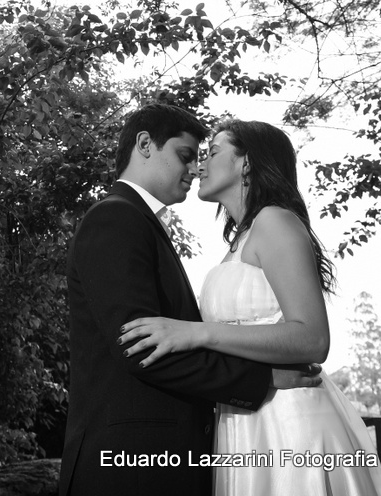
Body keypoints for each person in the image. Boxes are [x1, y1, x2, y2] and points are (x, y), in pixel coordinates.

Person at [118, 118, 381, 495]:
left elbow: (312, 338)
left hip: (290, 422)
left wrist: (198, 333)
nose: (199, 166)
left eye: (212, 152)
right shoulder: (239, 240)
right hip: (243, 418)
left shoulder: (275, 222)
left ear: (247, 162)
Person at [60, 104, 322, 496]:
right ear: (145, 145)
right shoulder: (115, 218)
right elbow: (138, 346)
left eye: (205, 156)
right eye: (185, 156)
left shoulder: (145, 223)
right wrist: (261, 379)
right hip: (130, 466)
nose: (195, 169)